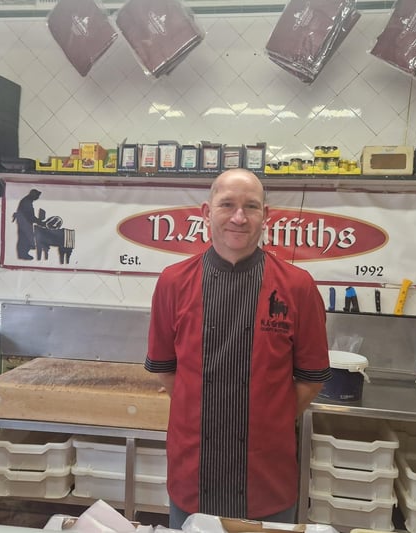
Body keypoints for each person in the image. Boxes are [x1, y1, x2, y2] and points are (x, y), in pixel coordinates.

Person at [145, 168, 331, 527]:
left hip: (267, 478)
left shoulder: (297, 286)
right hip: (193, 473)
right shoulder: (173, 282)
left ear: (266, 215)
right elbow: (167, 372)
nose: (239, 217)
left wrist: (267, 421)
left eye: (251, 207)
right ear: (205, 211)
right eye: (227, 205)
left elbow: (311, 379)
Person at [12, 188, 44, 260]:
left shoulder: (27, 200)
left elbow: (30, 215)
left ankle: (25, 251)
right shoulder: (27, 202)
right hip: (24, 223)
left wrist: (37, 221)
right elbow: (30, 215)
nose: (37, 198)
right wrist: (39, 221)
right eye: (37, 196)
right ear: (33, 195)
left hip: (25, 223)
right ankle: (23, 254)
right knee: (24, 238)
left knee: (25, 237)